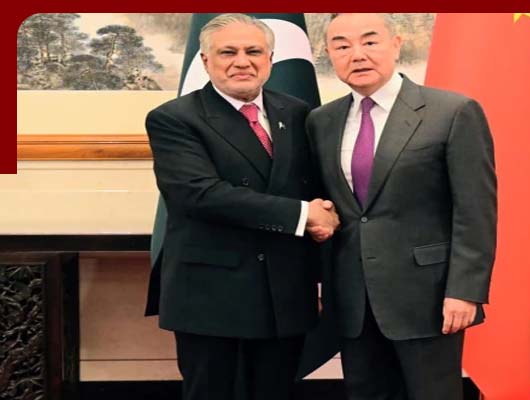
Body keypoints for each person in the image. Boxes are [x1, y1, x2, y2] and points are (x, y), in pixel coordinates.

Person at [145, 13, 338, 400]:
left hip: (284, 293)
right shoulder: (174, 118)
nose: (242, 62)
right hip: (212, 297)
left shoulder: (298, 113)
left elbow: (314, 185)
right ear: (205, 61)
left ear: (270, 59)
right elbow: (201, 194)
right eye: (228, 52)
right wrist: (304, 215)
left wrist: (326, 219)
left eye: (253, 51)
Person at [306, 13, 497, 400]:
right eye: (342, 46)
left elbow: (475, 210)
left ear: (396, 44)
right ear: (328, 54)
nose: (357, 54)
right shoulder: (321, 121)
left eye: (369, 41)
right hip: (353, 299)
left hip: (428, 297)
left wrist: (465, 291)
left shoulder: (452, 112)